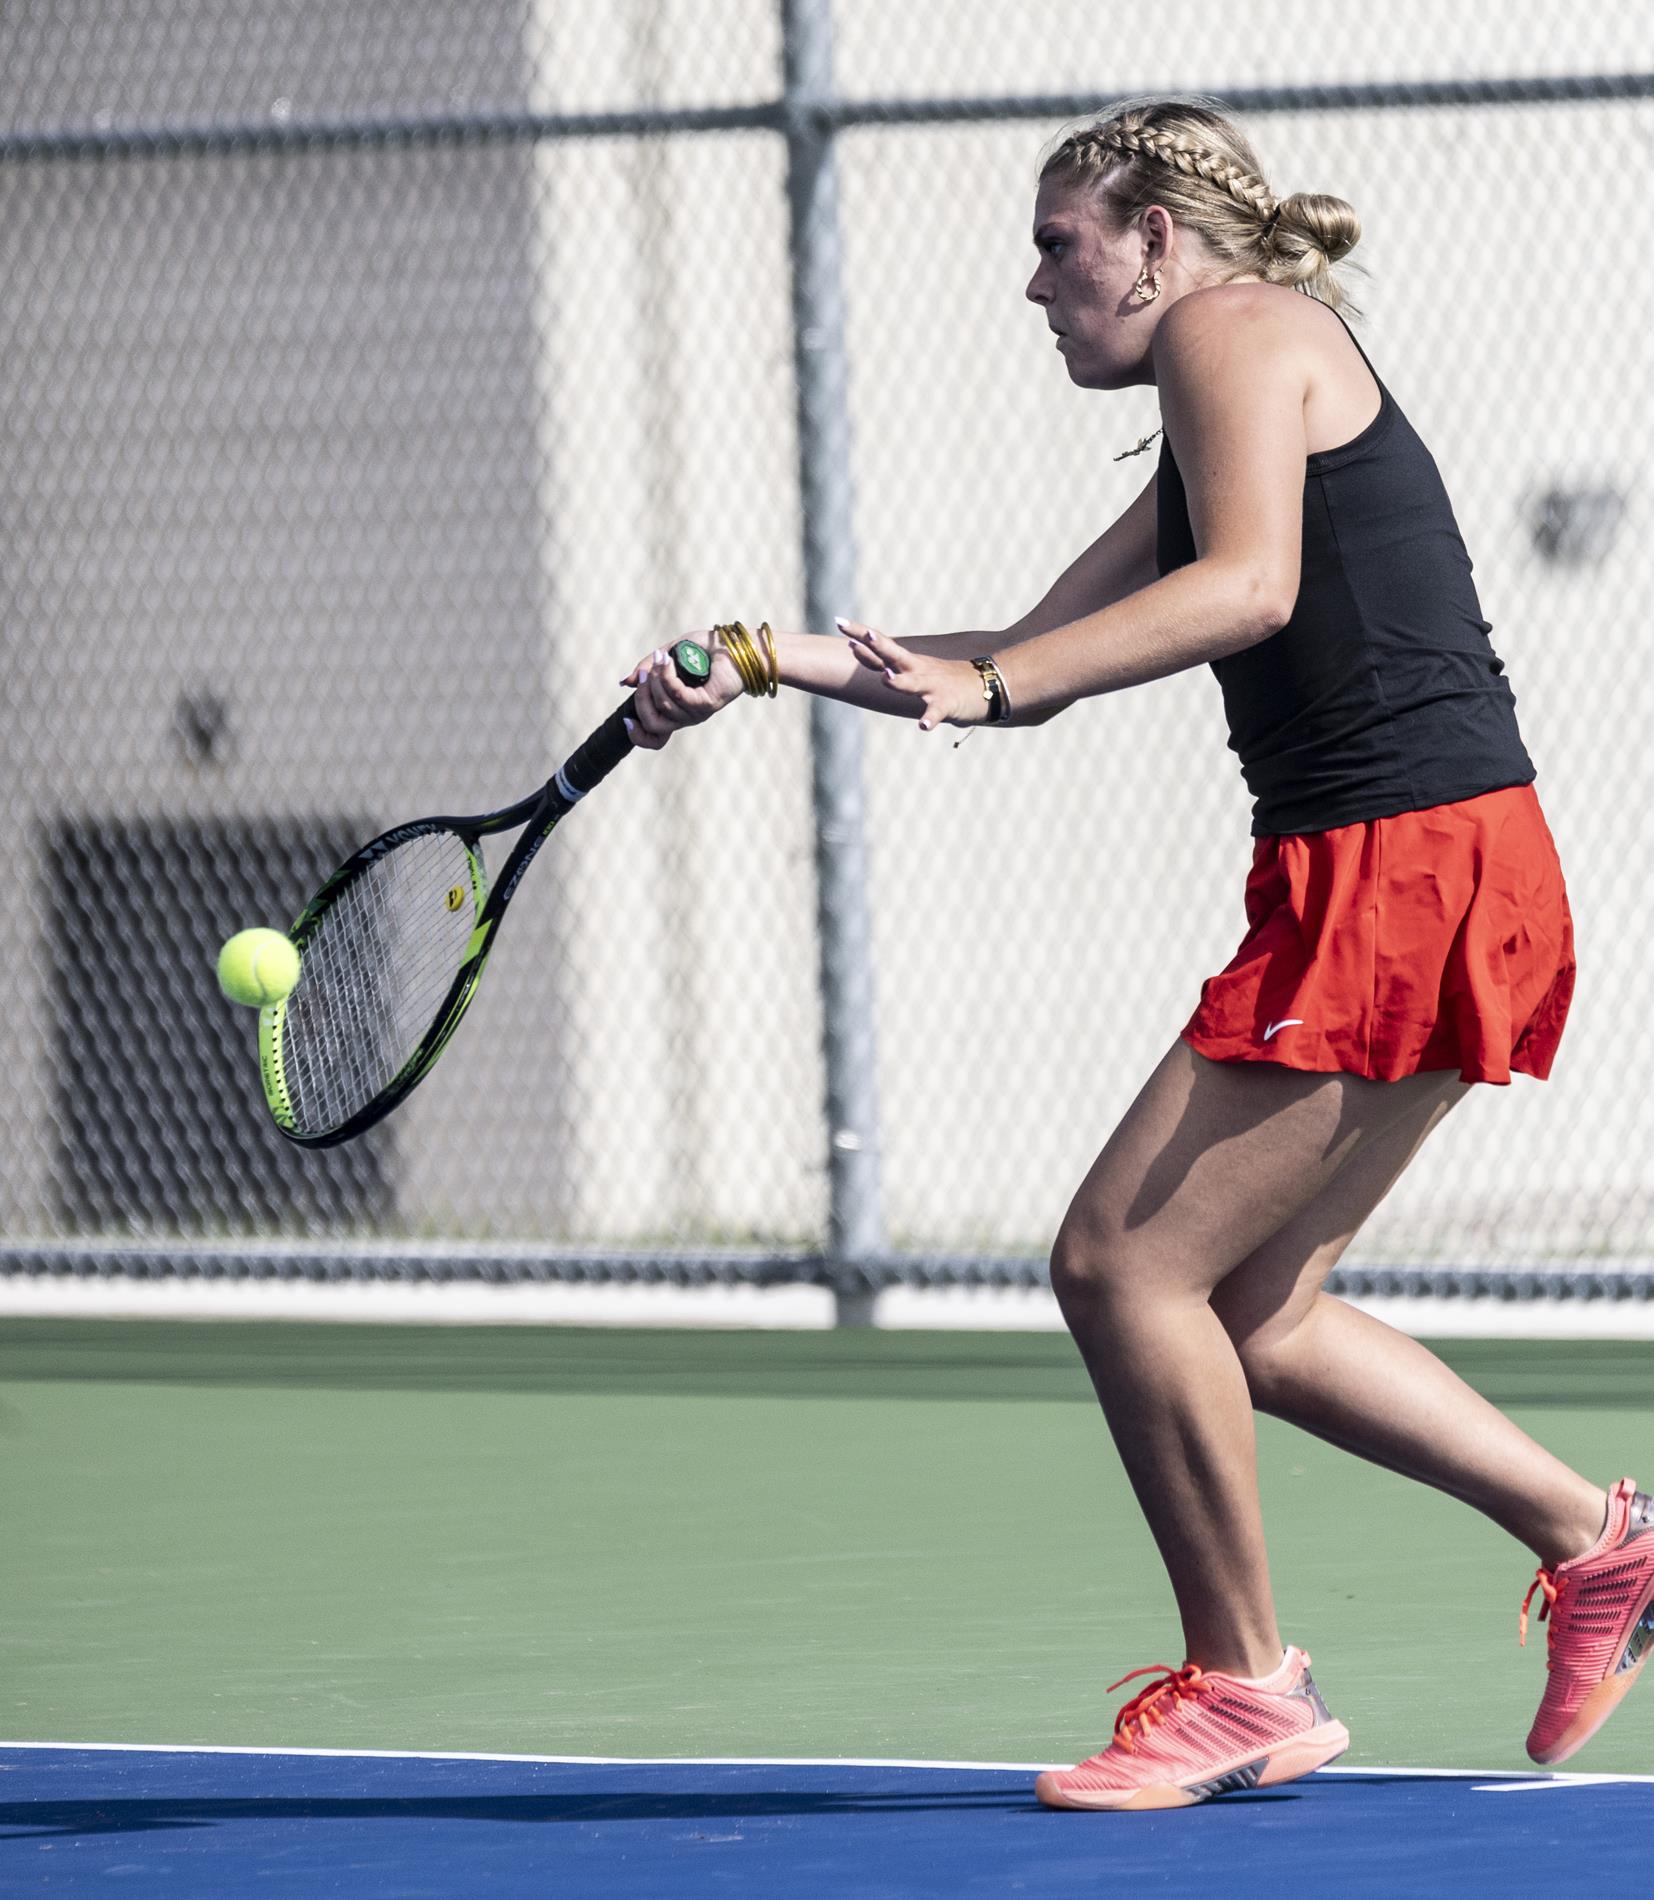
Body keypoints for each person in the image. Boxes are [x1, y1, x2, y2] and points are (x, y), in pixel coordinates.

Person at [620, 94, 1654, 1812]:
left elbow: (1243, 590)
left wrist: (1002, 690)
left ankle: (1244, 1683)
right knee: (1249, 1311)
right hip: (1428, 859)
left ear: (1156, 242)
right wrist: (756, 656)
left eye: (1057, 244)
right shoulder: (1227, 376)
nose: (1036, 287)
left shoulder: (1237, 329)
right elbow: (1032, 639)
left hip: (1407, 861)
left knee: (1118, 1265)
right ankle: (1597, 1540)